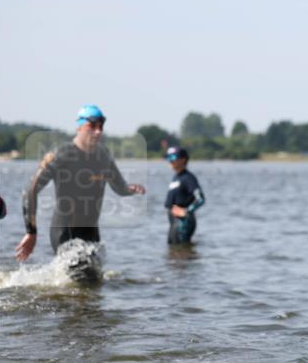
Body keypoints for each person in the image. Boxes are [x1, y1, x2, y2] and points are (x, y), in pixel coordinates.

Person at [15, 105, 146, 261]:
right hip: (64, 230)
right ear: (79, 126)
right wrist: (31, 232)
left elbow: (119, 187)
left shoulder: (104, 155)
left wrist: (130, 189)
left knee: (93, 280)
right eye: (92, 125)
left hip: (91, 232)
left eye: (101, 126)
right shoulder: (61, 153)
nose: (98, 131)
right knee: (78, 273)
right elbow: (30, 189)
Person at [164, 146, 205, 244]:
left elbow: (200, 199)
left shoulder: (188, 178)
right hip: (173, 221)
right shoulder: (176, 177)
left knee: (181, 252)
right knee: (172, 251)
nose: (170, 161)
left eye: (173, 158)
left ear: (183, 159)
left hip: (183, 222)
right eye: (168, 158)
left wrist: (187, 211)